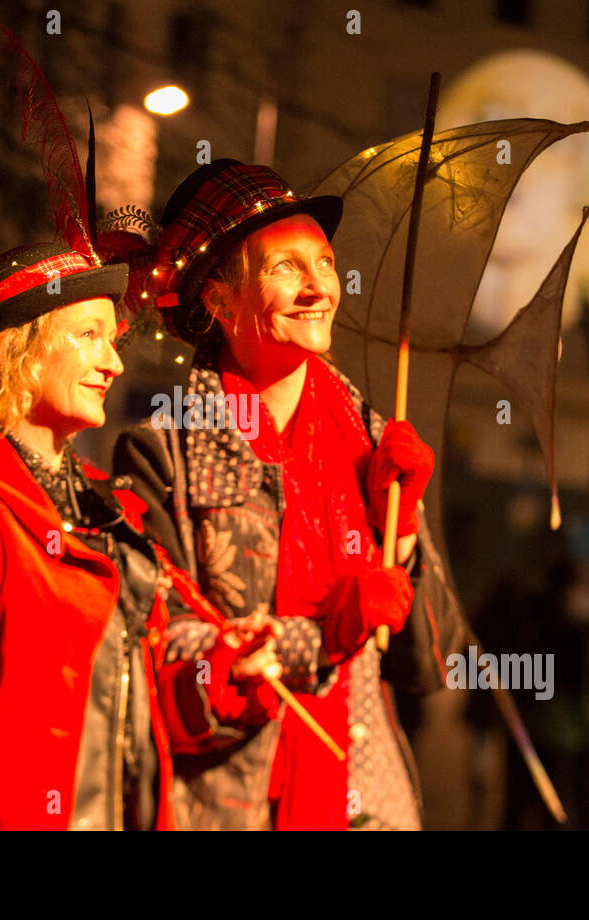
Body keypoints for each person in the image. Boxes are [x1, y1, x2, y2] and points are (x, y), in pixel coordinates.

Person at [0, 242, 280, 830]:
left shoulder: (112, 516)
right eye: (88, 335)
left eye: (114, 340)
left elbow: (135, 710)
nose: (114, 363)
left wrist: (225, 675)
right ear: (14, 348)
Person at [114, 160, 474, 830]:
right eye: (286, 267)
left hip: (369, 805)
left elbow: (432, 658)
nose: (319, 289)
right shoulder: (164, 451)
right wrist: (322, 637)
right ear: (218, 300)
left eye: (327, 264)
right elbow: (162, 676)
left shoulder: (369, 435)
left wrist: (400, 534)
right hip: (234, 809)